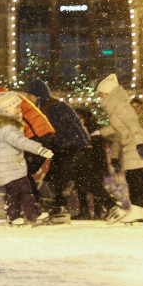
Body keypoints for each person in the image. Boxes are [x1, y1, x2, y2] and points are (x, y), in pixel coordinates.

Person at [25, 78, 90, 222]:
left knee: (62, 178)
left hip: (69, 147)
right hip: (66, 148)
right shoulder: (48, 107)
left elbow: (56, 132)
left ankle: (58, 208)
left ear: (39, 95)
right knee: (62, 178)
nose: (29, 99)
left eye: (31, 96)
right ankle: (57, 207)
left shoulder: (53, 108)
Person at [0, 87, 55, 199]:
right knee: (21, 170)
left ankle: (35, 201)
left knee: (18, 170)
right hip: (40, 132)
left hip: (37, 134)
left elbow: (0, 128)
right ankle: (37, 200)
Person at [0, 91, 52, 226]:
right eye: (16, 107)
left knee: (22, 190)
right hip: (7, 166)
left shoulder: (8, 125)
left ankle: (30, 213)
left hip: (11, 164)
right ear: (6, 109)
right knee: (17, 191)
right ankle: (16, 215)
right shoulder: (7, 128)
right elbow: (20, 141)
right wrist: (39, 149)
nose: (19, 110)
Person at [97, 74, 143, 224]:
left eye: (101, 93)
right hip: (132, 143)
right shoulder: (115, 106)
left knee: (134, 178)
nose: (100, 96)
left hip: (136, 143)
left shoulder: (120, 105)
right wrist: (99, 132)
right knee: (135, 178)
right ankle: (139, 211)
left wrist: (140, 144)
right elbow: (117, 127)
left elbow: (132, 123)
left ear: (108, 93)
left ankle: (137, 210)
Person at [72, 107, 125, 221]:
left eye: (80, 117)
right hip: (84, 162)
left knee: (96, 186)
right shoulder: (77, 129)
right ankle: (85, 210)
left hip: (95, 162)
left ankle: (98, 211)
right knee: (82, 187)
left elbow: (99, 146)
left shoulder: (93, 129)